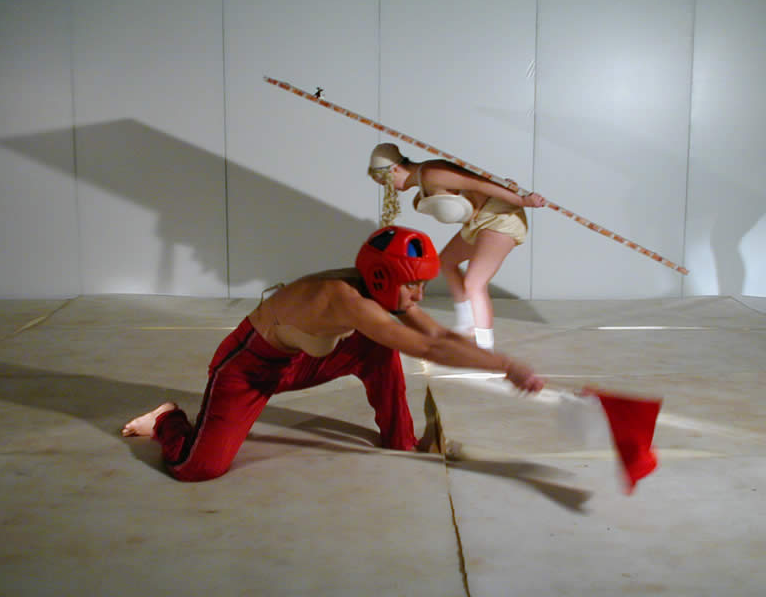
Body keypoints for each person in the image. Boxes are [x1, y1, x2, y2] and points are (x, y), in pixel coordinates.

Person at [122, 226, 544, 482]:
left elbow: (438, 333)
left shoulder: (383, 293)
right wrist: (505, 366)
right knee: (199, 470)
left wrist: (499, 361)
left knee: (376, 349)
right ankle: (165, 418)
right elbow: (429, 347)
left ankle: (401, 440)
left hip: (303, 361)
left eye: (421, 285)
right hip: (249, 368)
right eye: (411, 285)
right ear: (382, 277)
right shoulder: (346, 299)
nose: (418, 295)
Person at [368, 143, 546, 351]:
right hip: (478, 224)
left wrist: (522, 200)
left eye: (386, 183)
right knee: (446, 262)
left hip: (500, 218)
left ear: (395, 170)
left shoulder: (432, 173)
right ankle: (466, 324)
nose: (389, 189)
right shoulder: (424, 180)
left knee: (474, 283)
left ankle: (485, 351)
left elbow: (478, 183)